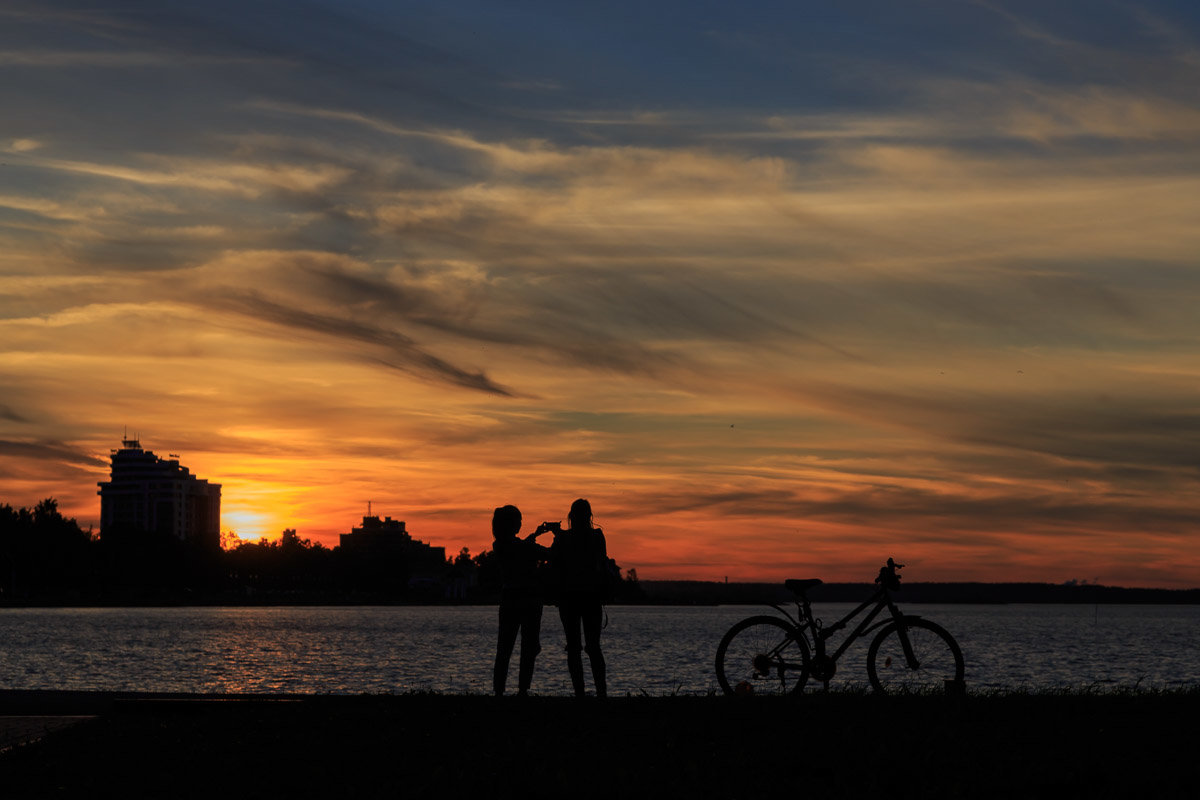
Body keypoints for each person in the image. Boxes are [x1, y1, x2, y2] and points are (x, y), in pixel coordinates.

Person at [545, 498, 609, 698]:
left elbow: (553, 560)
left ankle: (580, 693)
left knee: (574, 647)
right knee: (593, 646)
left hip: (569, 598)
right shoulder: (597, 536)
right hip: (591, 597)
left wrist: (557, 535)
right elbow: (601, 563)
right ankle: (601, 692)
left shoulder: (564, 538)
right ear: (590, 516)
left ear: (571, 516)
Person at [491, 504, 551, 696]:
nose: (520, 524)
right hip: (528, 600)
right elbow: (541, 552)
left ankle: (499, 691)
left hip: (510, 599)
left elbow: (522, 547)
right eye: (518, 521)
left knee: (505, 648)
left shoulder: (500, 545)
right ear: (511, 524)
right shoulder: (514, 546)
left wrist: (534, 535)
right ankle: (522, 690)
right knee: (528, 647)